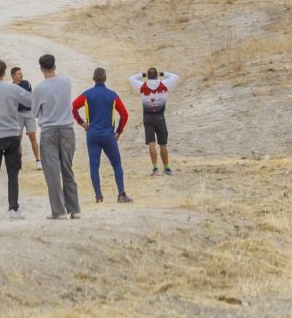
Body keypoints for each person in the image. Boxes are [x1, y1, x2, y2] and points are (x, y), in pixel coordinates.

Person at [0, 58, 38, 221]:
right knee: (13, 173)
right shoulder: (13, 89)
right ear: (4, 73)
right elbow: (30, 100)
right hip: (11, 134)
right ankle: (13, 208)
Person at [72, 68, 132, 204]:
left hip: (92, 134)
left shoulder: (87, 95)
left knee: (94, 165)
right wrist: (119, 132)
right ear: (105, 78)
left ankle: (99, 197)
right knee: (116, 164)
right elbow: (125, 114)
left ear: (93, 78)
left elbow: (73, 107)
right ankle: (121, 195)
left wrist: (82, 123)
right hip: (108, 134)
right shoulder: (112, 95)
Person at [33, 54, 81, 219]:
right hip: (67, 129)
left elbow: (34, 112)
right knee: (67, 169)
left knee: (52, 173)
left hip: (49, 131)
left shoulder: (39, 88)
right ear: (55, 65)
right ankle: (75, 209)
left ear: (41, 68)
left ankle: (59, 211)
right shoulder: (66, 81)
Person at [129, 68, 181, 175]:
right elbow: (175, 77)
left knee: (151, 143)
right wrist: (162, 73)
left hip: (147, 117)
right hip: (160, 117)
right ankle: (166, 168)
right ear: (157, 76)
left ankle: (155, 168)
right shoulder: (164, 85)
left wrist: (142, 74)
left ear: (148, 76)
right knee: (163, 144)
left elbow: (131, 79)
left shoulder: (142, 86)